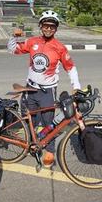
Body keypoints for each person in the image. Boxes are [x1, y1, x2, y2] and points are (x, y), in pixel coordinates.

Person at [7, 10, 81, 167]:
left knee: (49, 123)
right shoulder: (32, 42)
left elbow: (71, 68)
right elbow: (12, 49)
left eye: (52, 27)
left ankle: (49, 151)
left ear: (56, 29)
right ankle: (30, 144)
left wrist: (76, 86)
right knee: (29, 120)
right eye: (46, 26)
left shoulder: (59, 47)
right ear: (40, 26)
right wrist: (14, 36)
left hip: (47, 91)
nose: (48, 29)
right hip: (29, 89)